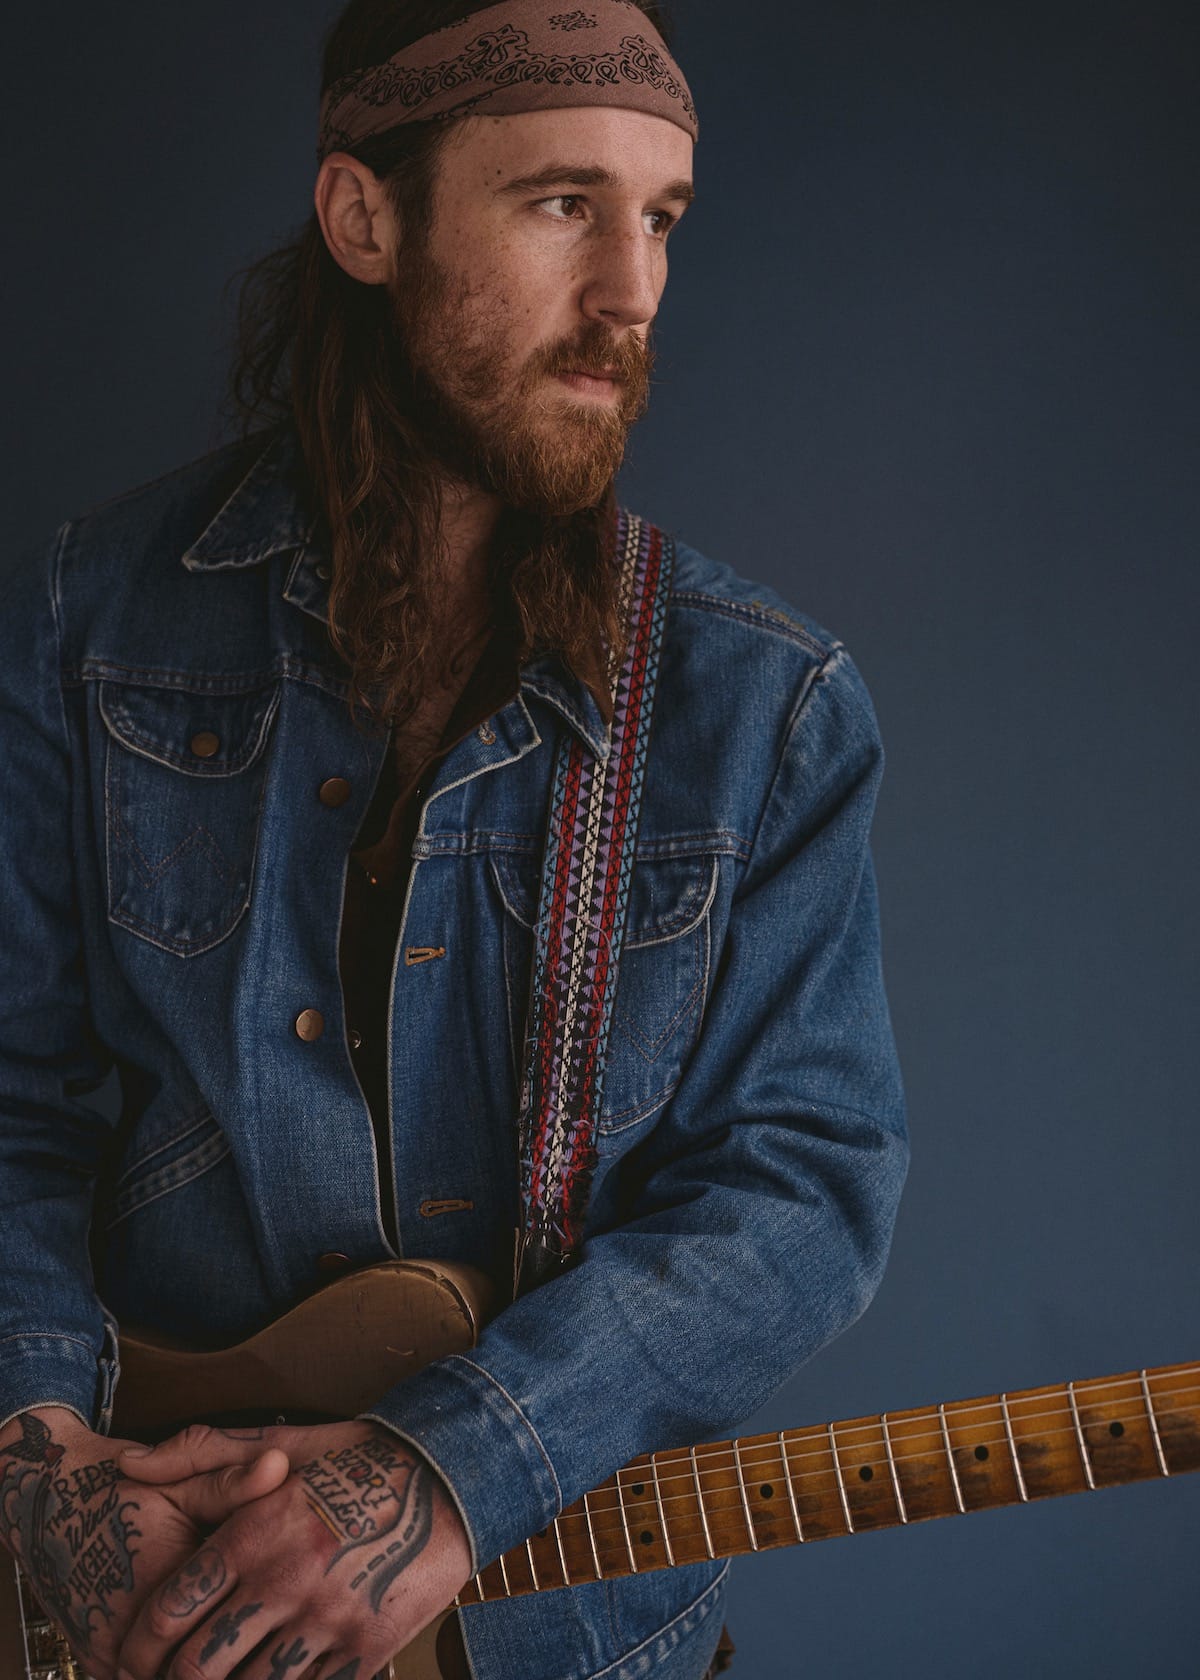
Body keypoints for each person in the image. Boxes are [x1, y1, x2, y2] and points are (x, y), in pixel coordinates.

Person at [0, 2, 908, 1677]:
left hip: (565, 1632)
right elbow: (10, 1100)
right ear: (366, 218)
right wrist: (39, 1459)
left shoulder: (763, 709)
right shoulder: (94, 618)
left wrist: (452, 1467)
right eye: (565, 203)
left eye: (662, 219)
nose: (632, 290)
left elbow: (801, 1192)